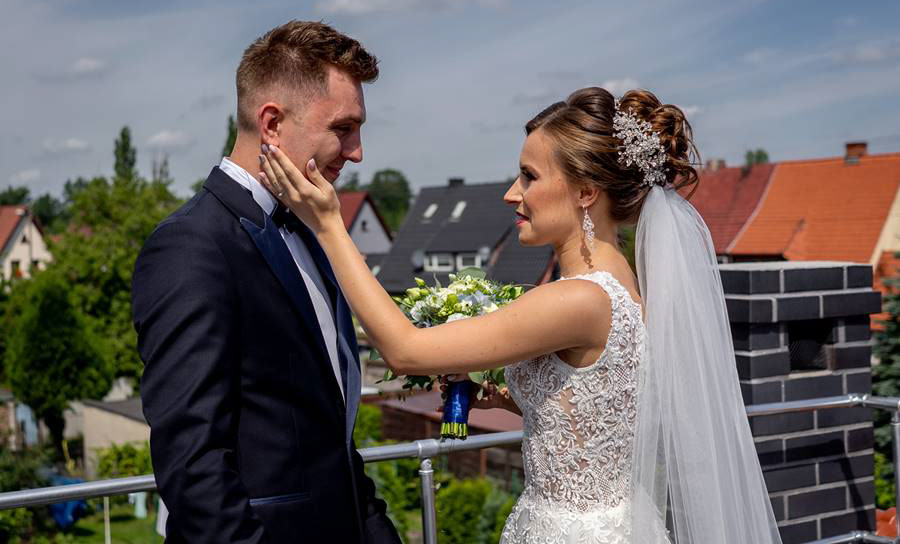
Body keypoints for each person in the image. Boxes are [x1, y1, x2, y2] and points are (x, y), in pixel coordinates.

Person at [260, 86, 784, 543]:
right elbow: (595, 419)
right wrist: (509, 398)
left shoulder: (578, 299)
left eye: (529, 177)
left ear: (586, 192)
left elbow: (404, 350)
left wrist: (328, 224)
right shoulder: (625, 284)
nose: (512, 193)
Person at [131, 20, 401, 544]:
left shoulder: (314, 231)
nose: (358, 151)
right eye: (344, 128)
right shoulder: (191, 246)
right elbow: (193, 465)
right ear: (272, 123)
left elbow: (330, 433)